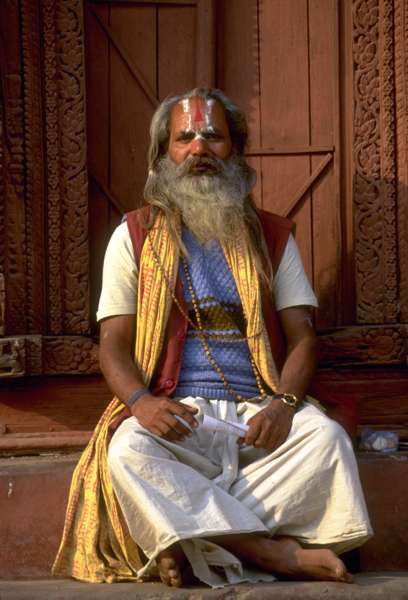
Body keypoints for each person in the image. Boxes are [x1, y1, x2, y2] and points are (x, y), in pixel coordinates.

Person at [53, 88, 372, 588]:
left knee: (325, 439)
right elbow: (112, 342)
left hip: (256, 413)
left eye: (213, 137)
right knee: (130, 452)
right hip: (177, 413)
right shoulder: (132, 237)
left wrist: (285, 405)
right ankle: (267, 552)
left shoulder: (272, 237)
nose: (199, 150)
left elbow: (303, 336)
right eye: (185, 138)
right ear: (164, 156)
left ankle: (191, 538)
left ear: (236, 151)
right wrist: (141, 404)